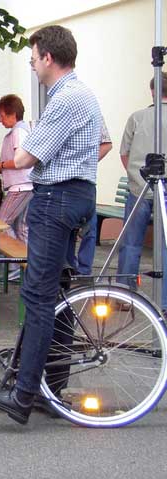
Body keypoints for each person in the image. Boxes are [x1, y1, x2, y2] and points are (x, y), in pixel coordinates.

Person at [0, 25, 103, 424]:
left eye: (33, 57)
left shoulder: (65, 98)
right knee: (58, 296)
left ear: (48, 56)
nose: (31, 63)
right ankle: (52, 389)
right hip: (76, 196)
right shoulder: (84, 95)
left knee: (39, 297)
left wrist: (49, 164)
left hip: (56, 198)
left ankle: (24, 395)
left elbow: (26, 158)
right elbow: (105, 144)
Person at [117, 73, 167, 315]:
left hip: (139, 187)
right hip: (166, 189)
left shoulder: (137, 117)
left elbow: (124, 153)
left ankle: (124, 294)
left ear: (152, 91)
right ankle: (165, 300)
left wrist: (135, 175)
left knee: (131, 243)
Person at [0, 94, 32, 282]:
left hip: (21, 186)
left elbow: (21, 160)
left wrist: (0, 165)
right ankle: (26, 267)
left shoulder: (19, 133)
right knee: (22, 228)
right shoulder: (18, 131)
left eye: (2, 115)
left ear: (13, 114)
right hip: (23, 185)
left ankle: (14, 267)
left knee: (1, 223)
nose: (0, 119)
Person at [65, 121, 112, 274]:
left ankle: (83, 269)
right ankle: (70, 266)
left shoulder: (94, 114)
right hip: (66, 180)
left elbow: (107, 144)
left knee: (88, 228)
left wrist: (88, 162)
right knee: (68, 227)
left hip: (85, 180)